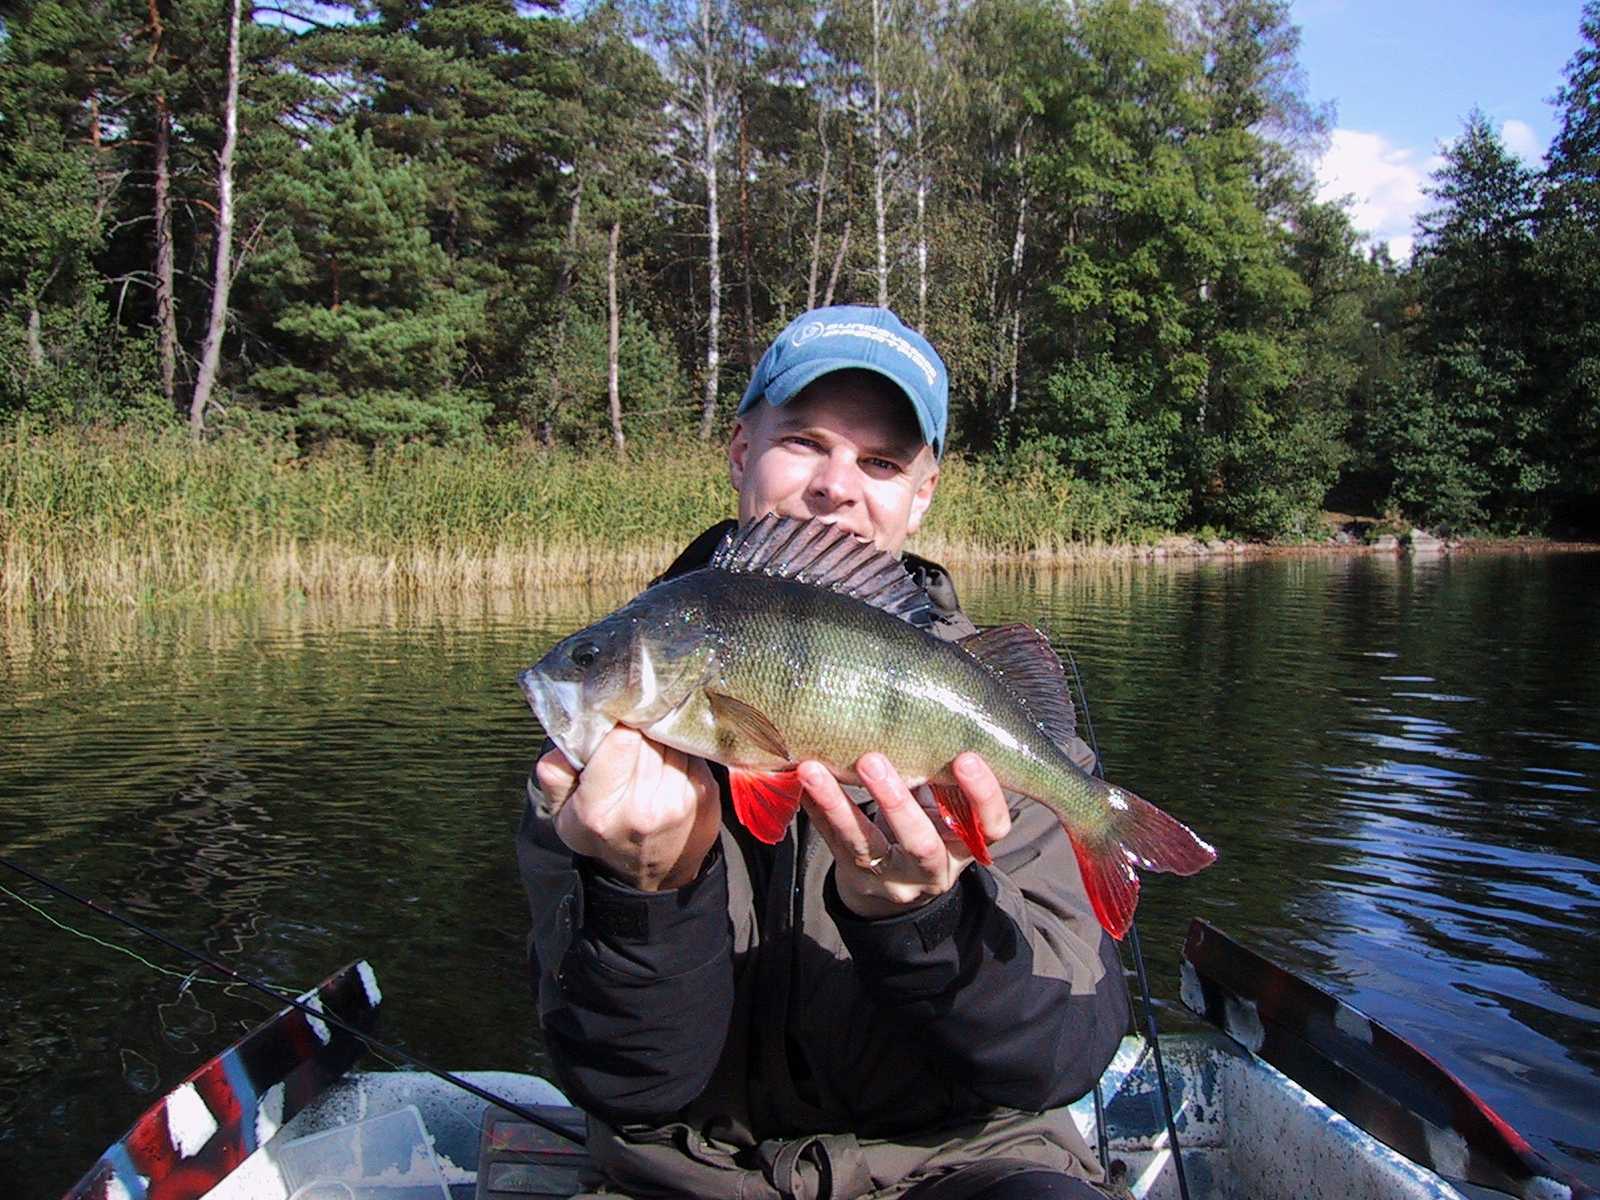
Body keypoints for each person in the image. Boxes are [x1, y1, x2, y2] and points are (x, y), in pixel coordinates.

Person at [517, 305, 1130, 1200]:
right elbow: (627, 1084)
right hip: (693, 1178)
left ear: (924, 492)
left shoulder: (996, 717)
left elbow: (1062, 1058)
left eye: (881, 462)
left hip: (963, 1163)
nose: (837, 486)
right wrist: (644, 891)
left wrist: (925, 922)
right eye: (804, 441)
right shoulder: (603, 762)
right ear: (740, 451)